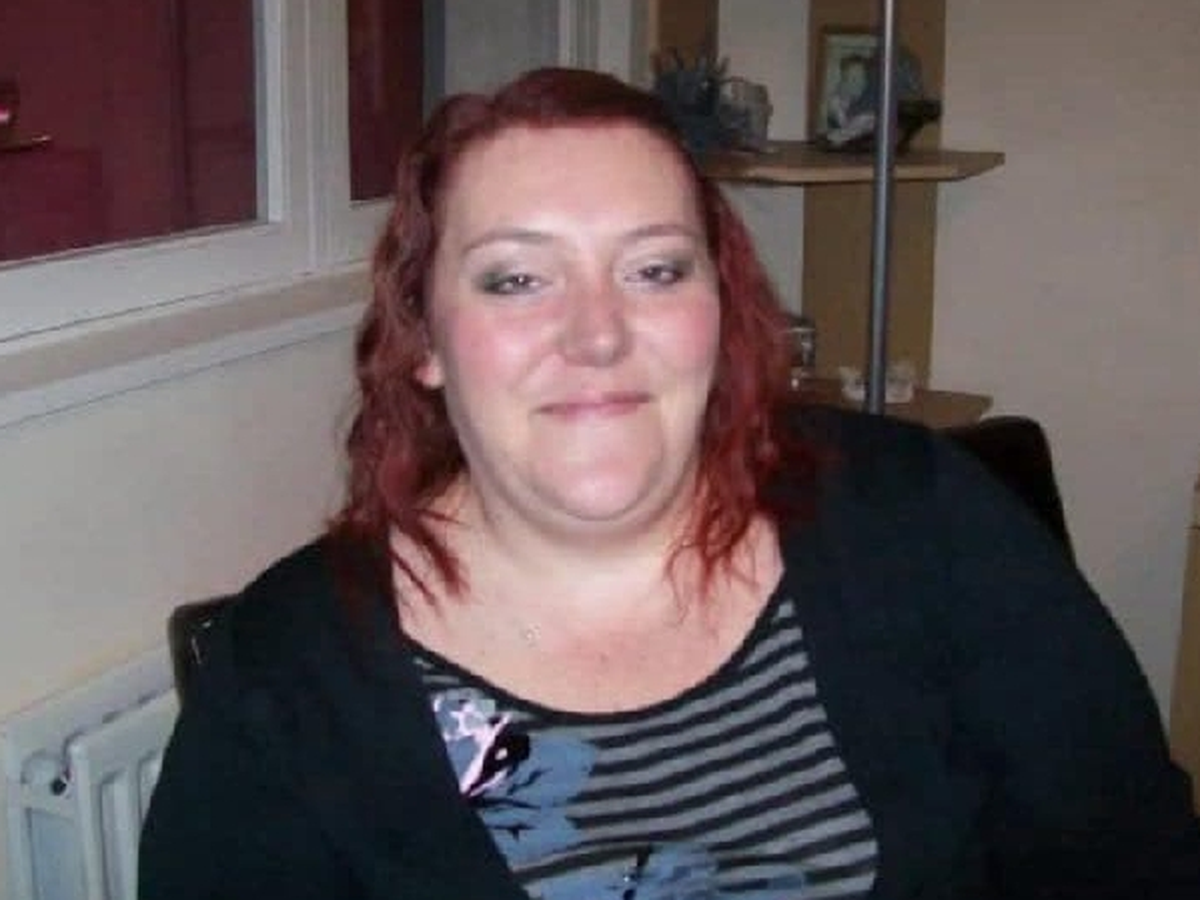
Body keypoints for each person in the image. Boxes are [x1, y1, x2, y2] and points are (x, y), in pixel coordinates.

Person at [139, 67, 1200, 899]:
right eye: (517, 278)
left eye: (654, 269)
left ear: (720, 311)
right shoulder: (286, 673)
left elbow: (1127, 858)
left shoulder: (918, 513)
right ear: (423, 338)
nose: (598, 335)